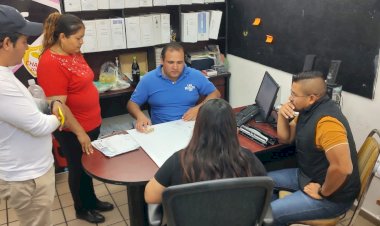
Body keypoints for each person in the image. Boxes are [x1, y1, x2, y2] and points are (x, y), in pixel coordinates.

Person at [36, 12, 114, 224]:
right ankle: (82, 208)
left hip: (91, 122)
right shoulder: (50, 62)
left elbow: (82, 83)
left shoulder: (74, 53)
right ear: (62, 37)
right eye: (78, 38)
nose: (82, 42)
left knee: (89, 164)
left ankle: (92, 200)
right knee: (78, 168)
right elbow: (59, 107)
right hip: (73, 129)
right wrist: (80, 133)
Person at [0, 5, 64, 226]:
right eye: (25, 41)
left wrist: (45, 103)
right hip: (28, 178)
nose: (27, 47)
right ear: (7, 43)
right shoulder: (1, 84)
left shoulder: (5, 74)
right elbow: (39, 126)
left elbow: (22, 108)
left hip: (30, 171)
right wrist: (59, 113)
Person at [269, 71, 360, 225]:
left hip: (332, 197)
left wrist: (322, 191)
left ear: (311, 98)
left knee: (272, 213)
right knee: (263, 183)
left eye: (294, 94)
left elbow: (343, 168)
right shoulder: (307, 110)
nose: (290, 97)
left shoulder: (327, 123)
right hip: (308, 176)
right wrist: (282, 115)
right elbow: (285, 138)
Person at [144, 98, 267, 204]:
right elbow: (263, 191)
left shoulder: (179, 160)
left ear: (197, 128)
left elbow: (150, 197)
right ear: (234, 129)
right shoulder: (247, 158)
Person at [127, 42, 221, 132]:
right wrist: (140, 116)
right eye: (171, 62)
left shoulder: (194, 75)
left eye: (179, 62)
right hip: (162, 130)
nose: (175, 67)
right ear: (162, 61)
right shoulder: (149, 79)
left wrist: (199, 108)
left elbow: (215, 93)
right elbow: (132, 104)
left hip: (190, 128)